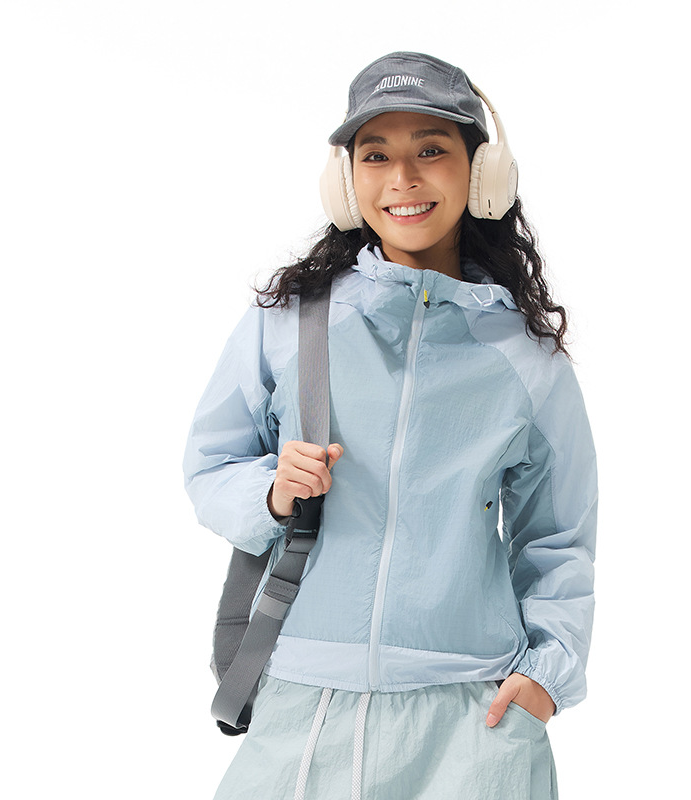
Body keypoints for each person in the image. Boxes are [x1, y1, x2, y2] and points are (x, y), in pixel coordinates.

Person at [183, 51, 597, 800]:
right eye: (375, 155)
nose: (402, 178)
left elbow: (558, 536)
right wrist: (272, 492)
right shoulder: (289, 323)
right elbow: (210, 466)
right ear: (346, 180)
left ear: (481, 172)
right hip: (306, 701)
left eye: (430, 150)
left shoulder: (527, 361)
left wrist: (545, 676)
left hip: (471, 716)